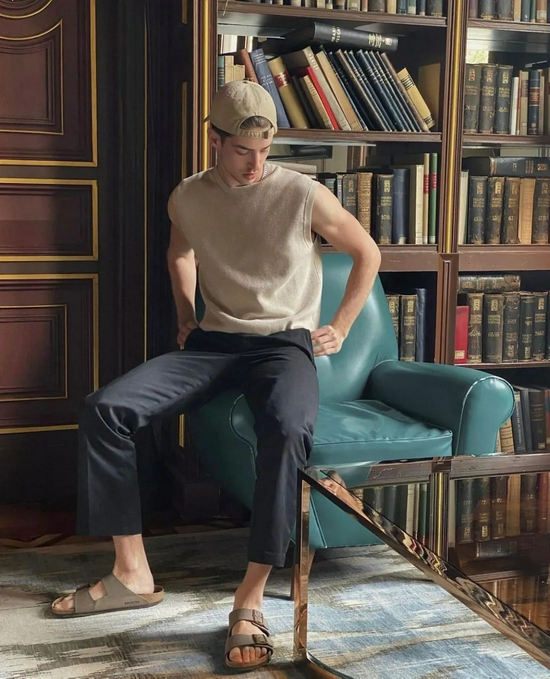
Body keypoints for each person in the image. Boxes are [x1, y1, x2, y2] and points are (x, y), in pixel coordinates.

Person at [51, 80, 381, 671]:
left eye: (266, 149)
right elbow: (181, 251)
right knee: (106, 410)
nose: (256, 164)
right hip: (213, 344)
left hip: (282, 346)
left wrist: (341, 325)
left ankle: (249, 596)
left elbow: (367, 251)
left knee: (287, 429)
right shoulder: (188, 196)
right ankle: (131, 572)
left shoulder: (303, 194)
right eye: (242, 151)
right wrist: (186, 311)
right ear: (214, 140)